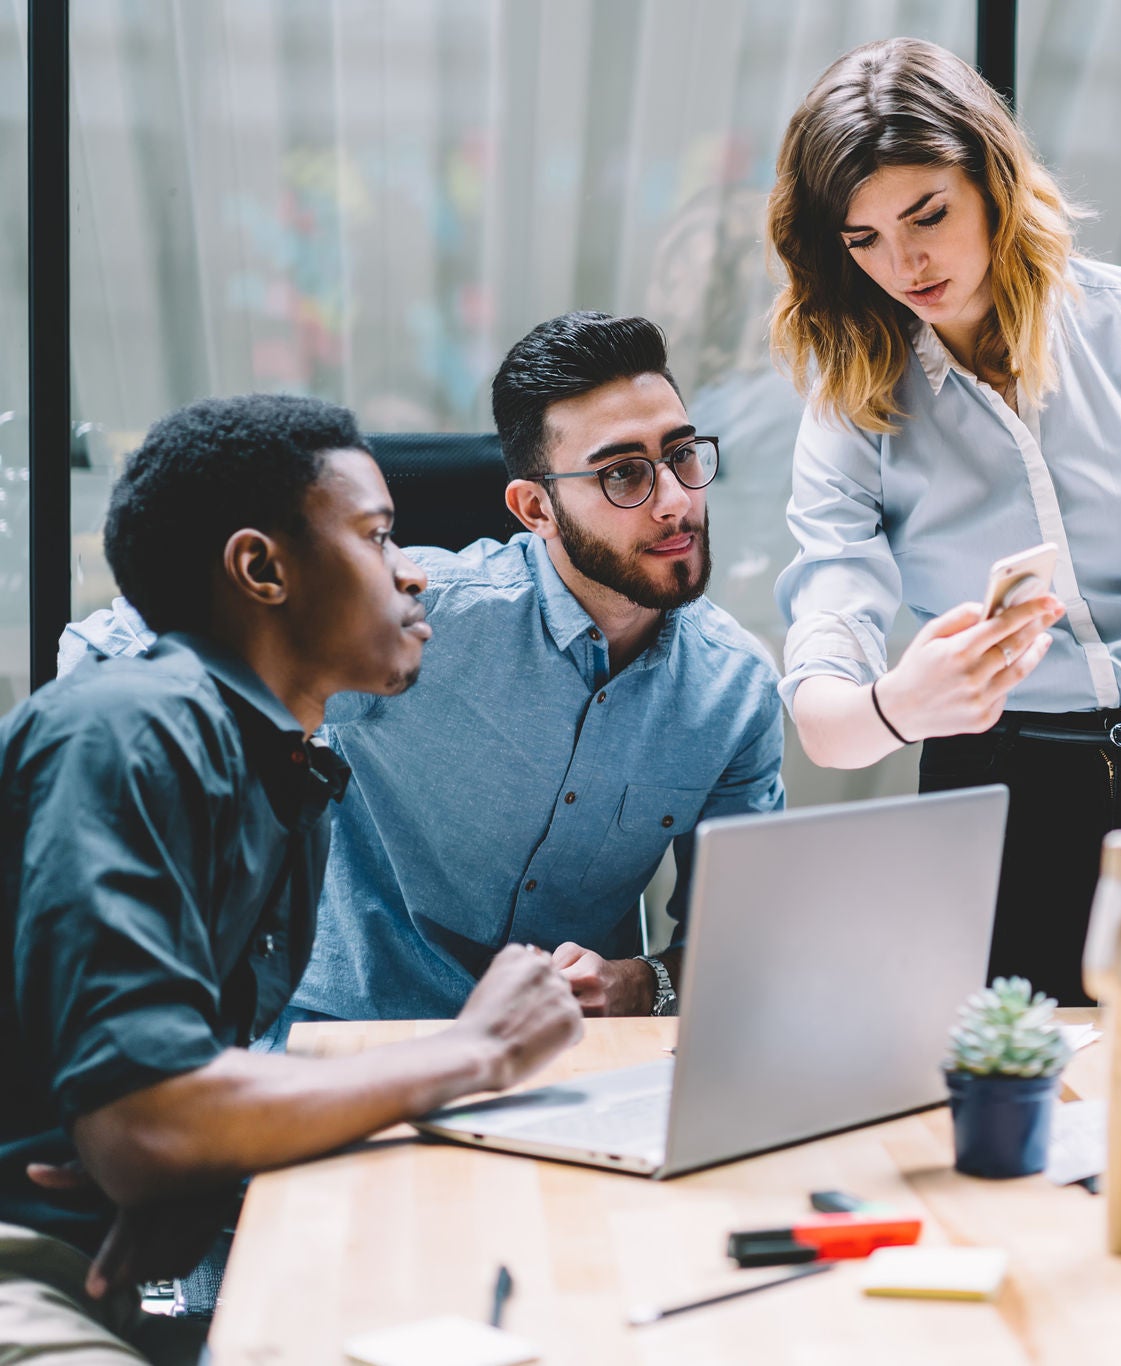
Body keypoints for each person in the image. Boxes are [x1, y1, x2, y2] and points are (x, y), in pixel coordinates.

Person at [1, 395, 584, 1364]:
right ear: (261, 567)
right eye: (378, 534)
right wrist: (475, 1051)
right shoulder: (128, 729)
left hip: (101, 1256)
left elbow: (156, 1126)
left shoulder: (282, 768)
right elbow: (145, 1119)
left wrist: (178, 1171)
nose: (414, 575)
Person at [767, 38, 1121, 1004]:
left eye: (927, 213)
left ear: (993, 178)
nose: (907, 262)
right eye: (864, 239)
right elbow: (825, 705)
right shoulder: (854, 406)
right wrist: (898, 707)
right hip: (996, 796)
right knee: (1017, 1124)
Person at [62, 313, 786, 1026]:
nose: (674, 501)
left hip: (566, 1062)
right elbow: (108, 649)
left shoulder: (736, 688)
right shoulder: (412, 618)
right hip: (350, 1046)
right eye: (624, 473)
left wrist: (639, 984)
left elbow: (739, 950)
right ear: (535, 507)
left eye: (683, 455)